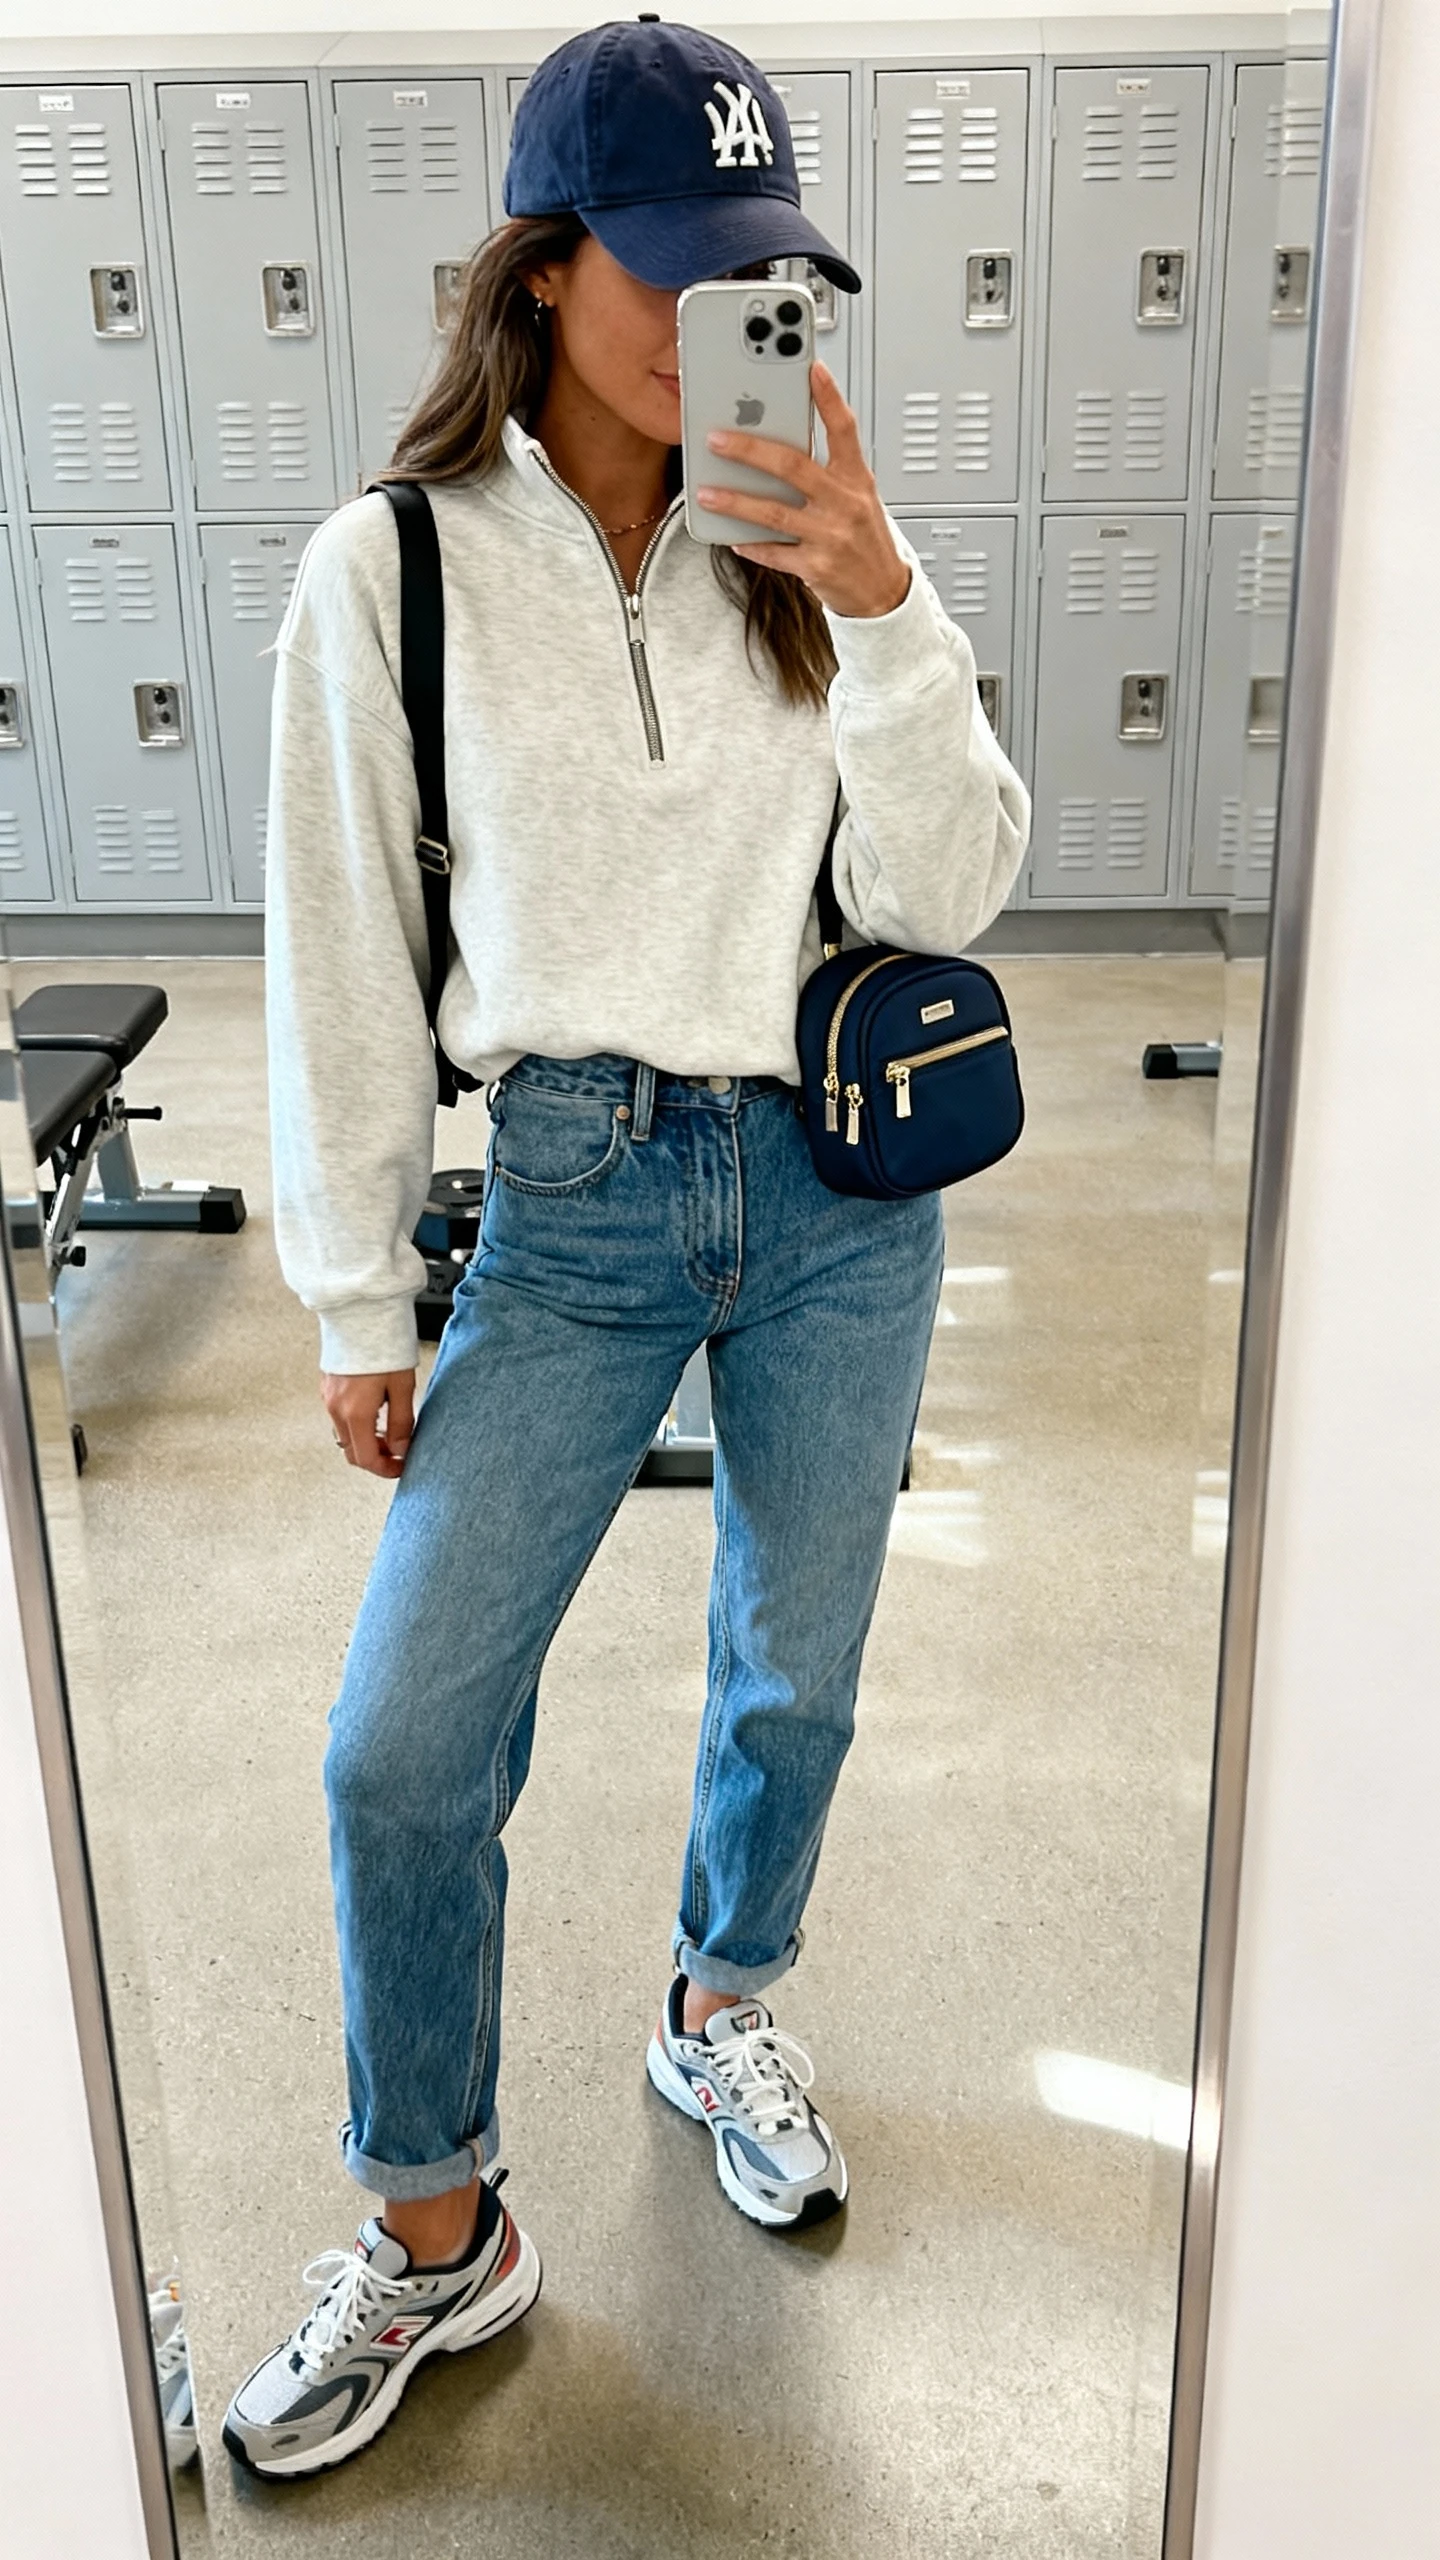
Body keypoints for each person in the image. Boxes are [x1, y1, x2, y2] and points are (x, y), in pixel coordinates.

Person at [223, 16, 1029, 2481]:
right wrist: (359, 1292)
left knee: (796, 1673)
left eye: (759, 274)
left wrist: (880, 599)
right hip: (567, 1201)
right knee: (401, 1744)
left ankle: (720, 1999)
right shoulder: (387, 572)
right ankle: (438, 2227)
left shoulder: (814, 544)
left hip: (833, 1189)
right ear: (547, 271)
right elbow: (344, 953)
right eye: (669, 270)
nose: (718, 323)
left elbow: (952, 889)